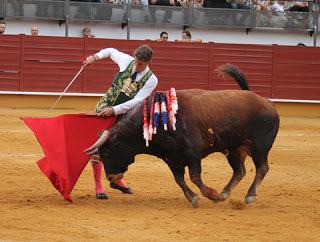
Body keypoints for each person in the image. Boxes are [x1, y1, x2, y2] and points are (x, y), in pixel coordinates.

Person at [83, 44, 158, 199]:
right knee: (99, 148)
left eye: (141, 64)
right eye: (136, 61)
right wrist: (94, 57)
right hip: (103, 109)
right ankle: (98, 186)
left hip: (125, 117)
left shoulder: (151, 80)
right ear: (134, 57)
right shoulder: (126, 61)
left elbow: (138, 101)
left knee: (120, 150)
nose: (137, 66)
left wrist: (115, 110)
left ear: (147, 63)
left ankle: (117, 180)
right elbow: (110, 51)